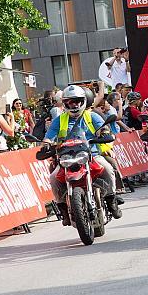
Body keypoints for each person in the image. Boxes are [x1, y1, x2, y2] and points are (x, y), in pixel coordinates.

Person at [43, 85, 121, 224]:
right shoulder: (59, 120)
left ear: (83, 101)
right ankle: (63, 210)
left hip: (91, 155)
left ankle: (111, 200)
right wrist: (46, 144)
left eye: (77, 101)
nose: (74, 105)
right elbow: (49, 136)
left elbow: (104, 128)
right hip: (66, 157)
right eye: (70, 102)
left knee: (108, 169)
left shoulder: (92, 116)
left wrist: (104, 133)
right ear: (65, 103)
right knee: (54, 178)